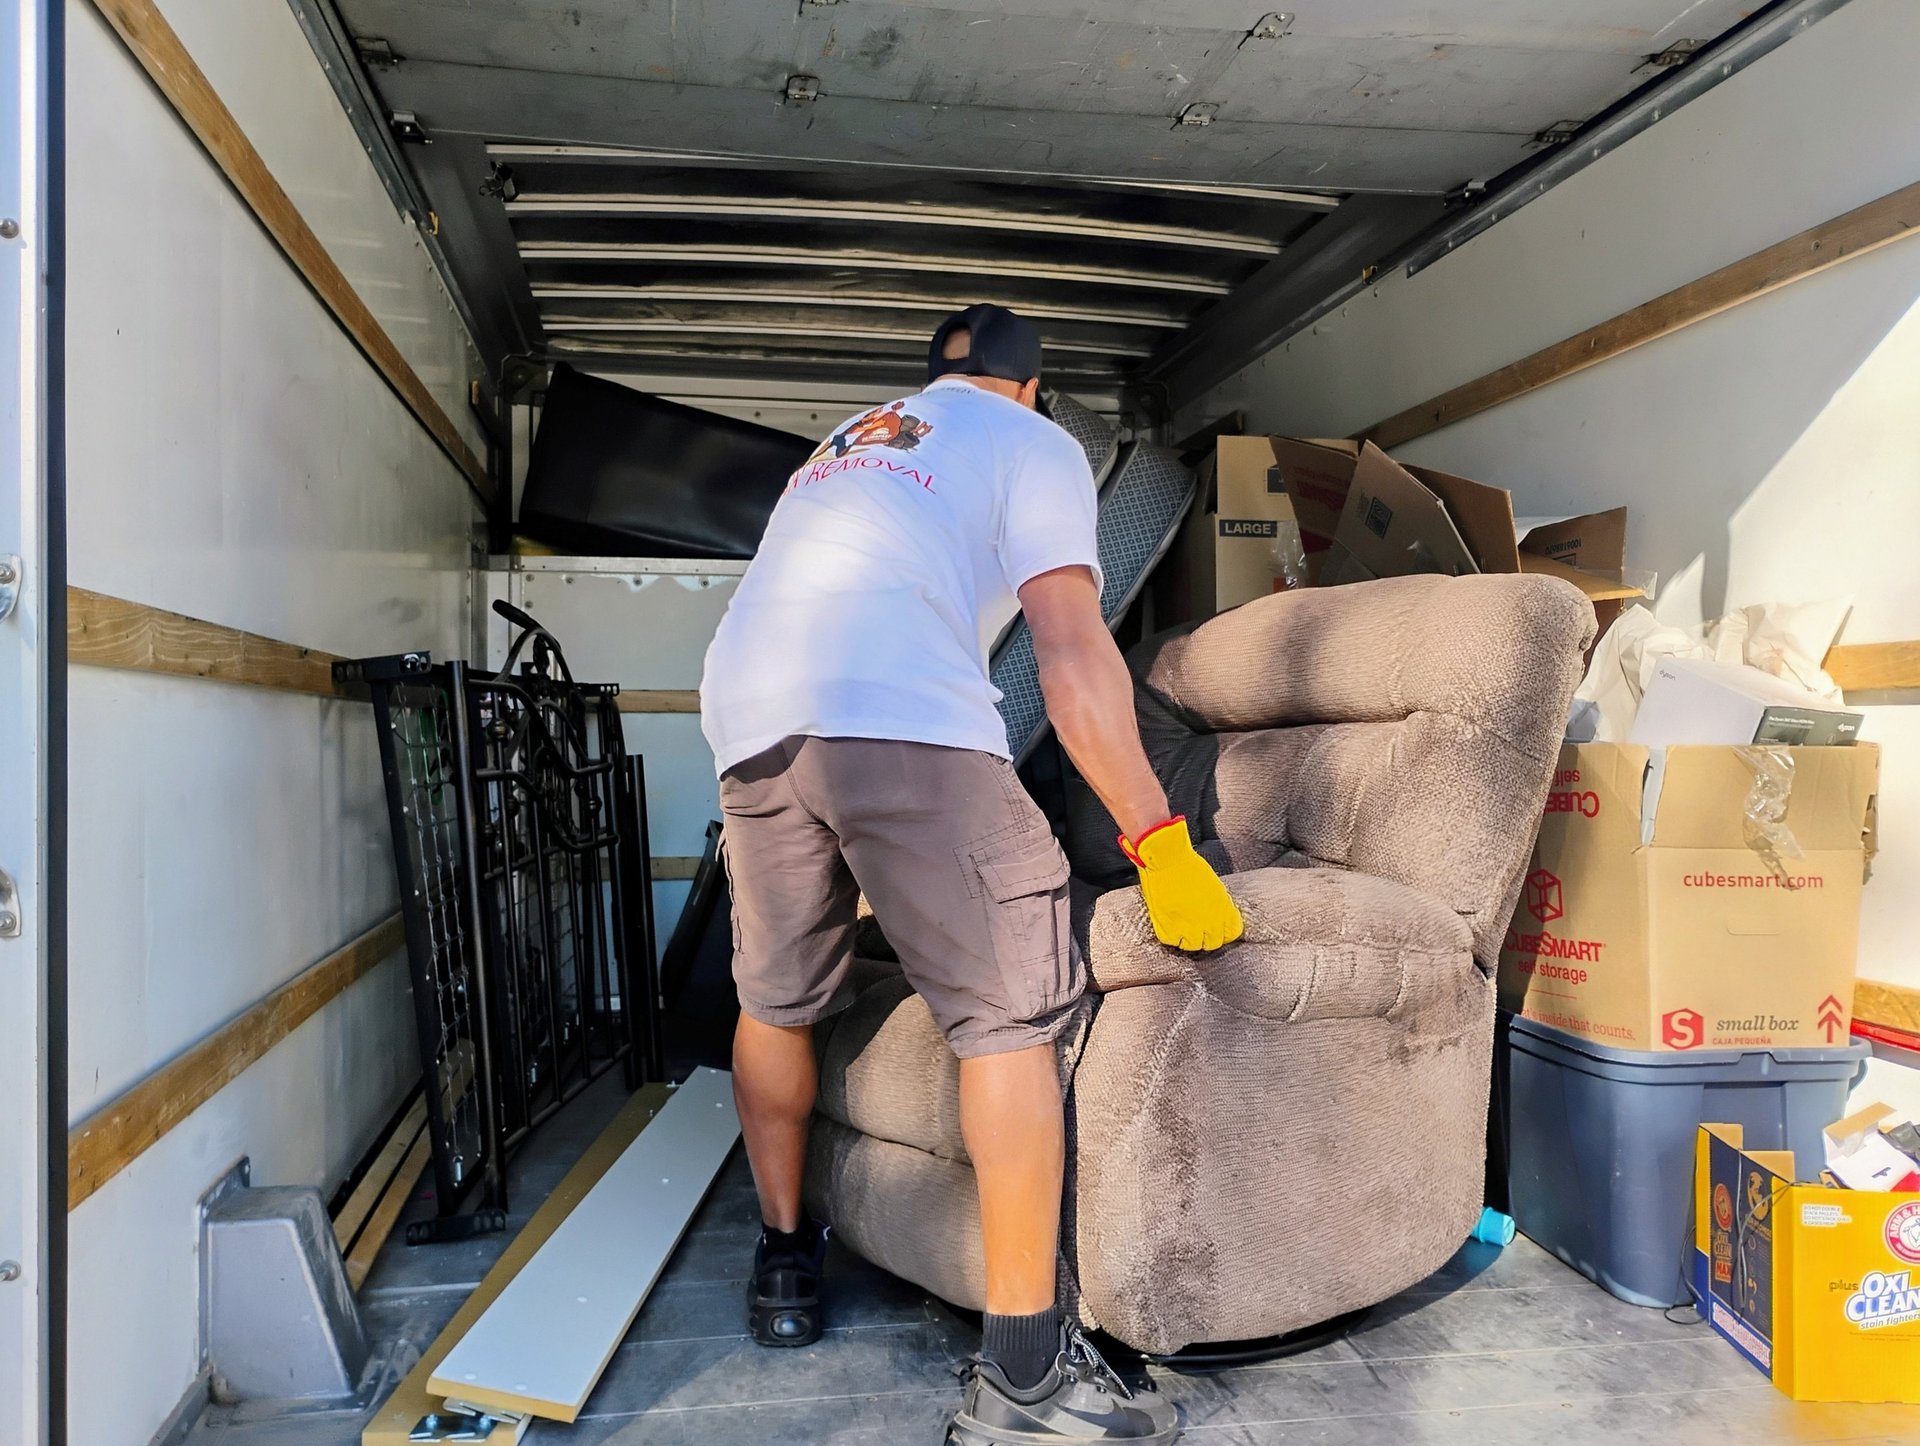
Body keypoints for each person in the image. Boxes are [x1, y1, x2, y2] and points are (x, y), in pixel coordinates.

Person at [698, 303, 1243, 1444]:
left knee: (777, 995)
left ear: (932, 377)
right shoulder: (1033, 445)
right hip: (896, 707)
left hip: (749, 714)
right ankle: (1027, 1380)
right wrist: (1157, 837)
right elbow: (1071, 646)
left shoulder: (857, 437)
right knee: (1009, 1015)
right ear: (1034, 390)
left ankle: (786, 1270)